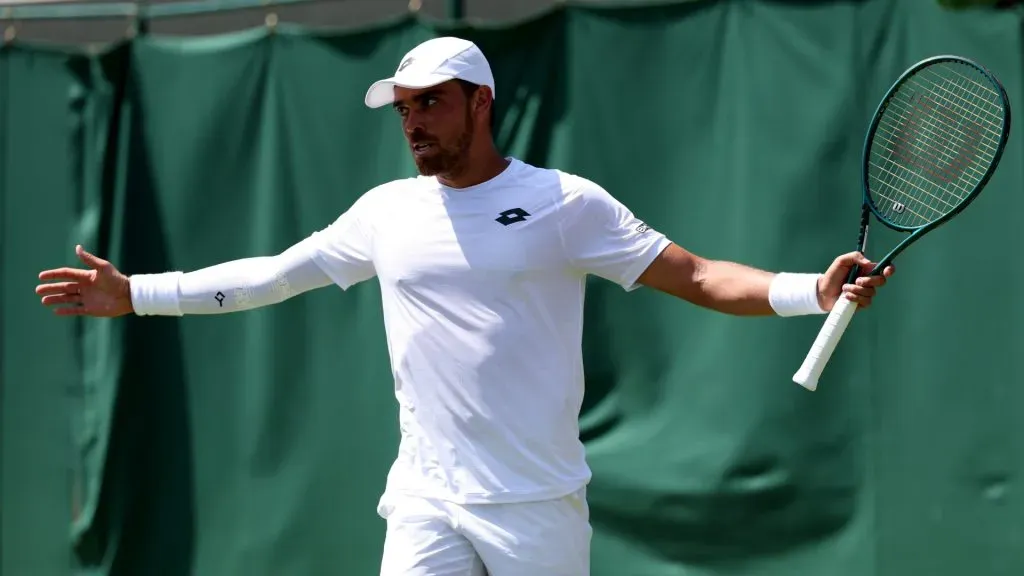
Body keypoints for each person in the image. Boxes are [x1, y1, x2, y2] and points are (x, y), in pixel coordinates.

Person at [36, 37, 894, 576]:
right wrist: (138, 294)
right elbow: (274, 276)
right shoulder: (384, 212)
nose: (413, 122)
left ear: (481, 103)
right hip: (425, 501)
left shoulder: (565, 203)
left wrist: (809, 291)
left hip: (536, 507)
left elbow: (698, 276)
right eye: (405, 109)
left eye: (431, 104)